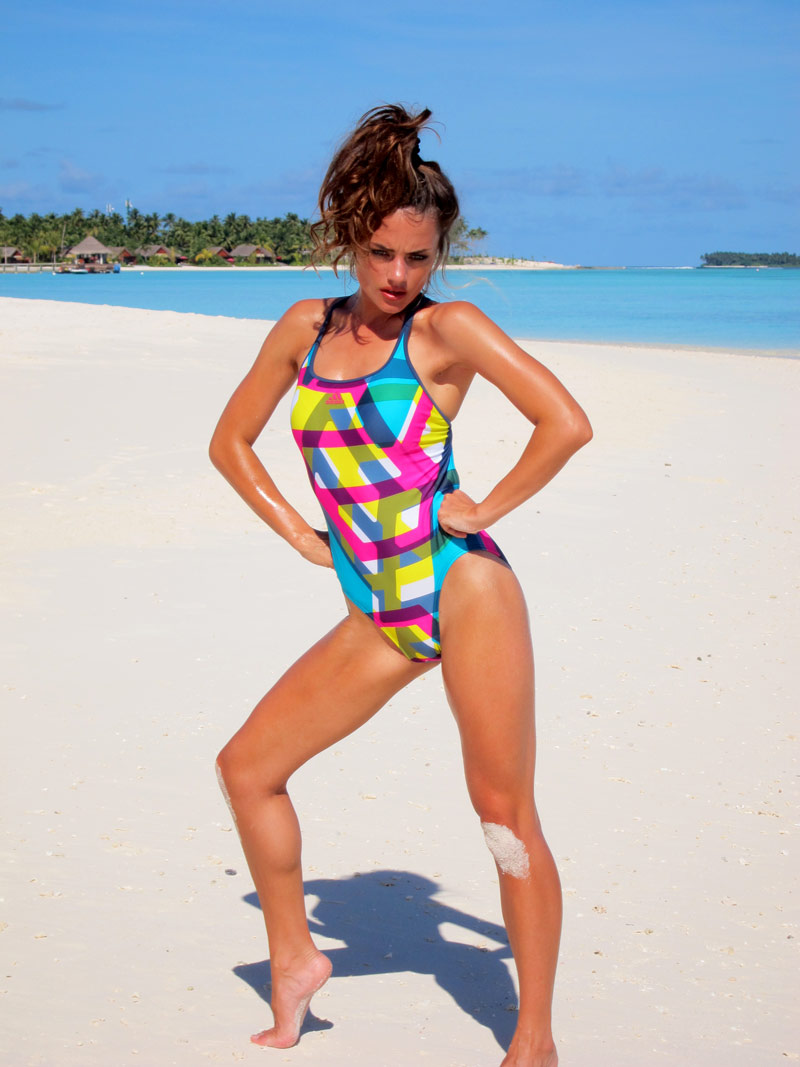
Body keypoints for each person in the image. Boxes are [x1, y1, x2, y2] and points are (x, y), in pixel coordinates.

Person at [210, 104, 592, 1067]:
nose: (397, 275)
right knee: (247, 768)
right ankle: (295, 960)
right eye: (381, 252)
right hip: (377, 614)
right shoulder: (303, 329)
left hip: (464, 590)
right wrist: (299, 532)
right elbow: (230, 442)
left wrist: (485, 503)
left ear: (439, 256)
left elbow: (565, 422)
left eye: (419, 258)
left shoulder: (445, 331)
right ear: (352, 238)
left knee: (503, 819)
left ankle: (534, 1039)